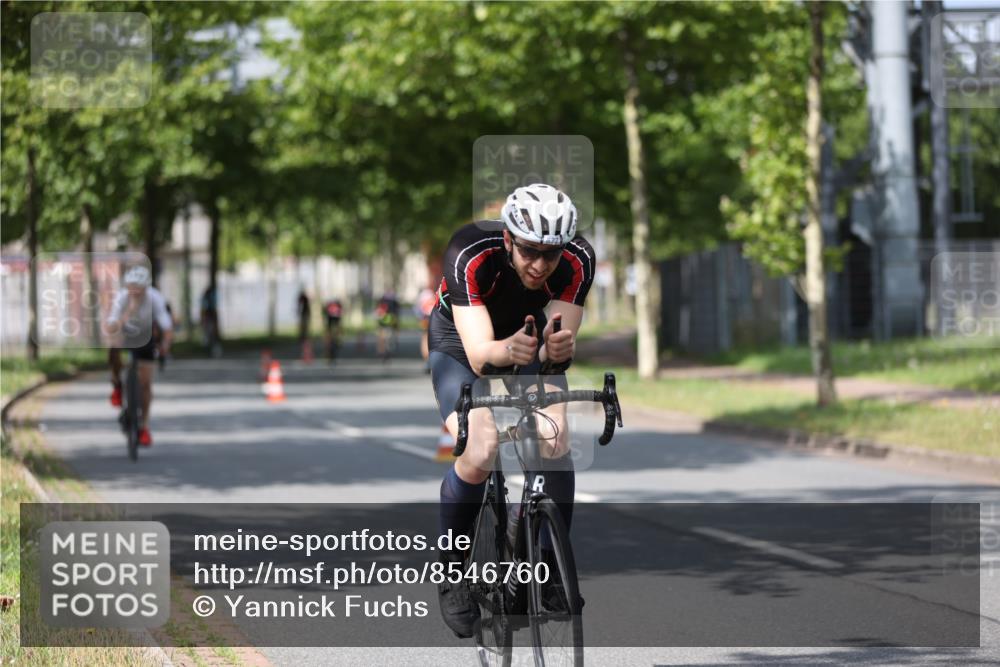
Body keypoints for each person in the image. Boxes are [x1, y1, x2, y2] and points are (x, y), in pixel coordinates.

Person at [427, 183, 595, 637]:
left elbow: (557, 350)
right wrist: (513, 350)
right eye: (529, 252)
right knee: (480, 449)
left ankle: (547, 566)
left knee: (555, 435)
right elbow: (482, 356)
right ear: (507, 239)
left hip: (528, 335)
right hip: (463, 342)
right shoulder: (470, 251)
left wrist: (557, 349)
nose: (540, 265)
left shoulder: (579, 260)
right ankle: (451, 569)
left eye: (551, 254)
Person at [106, 265, 173, 447]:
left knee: (146, 384)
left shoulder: (155, 298)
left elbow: (166, 327)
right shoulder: (122, 298)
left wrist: (165, 346)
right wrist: (129, 312)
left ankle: (144, 425)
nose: (135, 291)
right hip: (125, 331)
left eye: (139, 288)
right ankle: (118, 385)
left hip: (146, 336)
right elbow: (111, 326)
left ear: (146, 288)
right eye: (131, 287)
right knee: (113, 346)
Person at [374, 289, 400, 361]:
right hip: (391, 322)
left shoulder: (381, 300)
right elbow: (396, 313)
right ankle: (387, 351)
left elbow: (377, 312)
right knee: (389, 338)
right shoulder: (394, 301)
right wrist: (397, 325)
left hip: (381, 322)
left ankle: (381, 352)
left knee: (381, 338)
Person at [414, 286, 437, 368]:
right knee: (433, 338)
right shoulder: (432, 294)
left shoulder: (422, 295)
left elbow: (417, 309)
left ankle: (427, 360)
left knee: (424, 338)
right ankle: (432, 358)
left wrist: (419, 319)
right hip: (433, 318)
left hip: (424, 319)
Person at [199, 285, 220, 356]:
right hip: (210, 317)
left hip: (208, 318)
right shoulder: (210, 298)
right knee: (211, 334)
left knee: (209, 334)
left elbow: (203, 310)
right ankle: (212, 350)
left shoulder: (206, 298)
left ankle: (211, 350)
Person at [323, 298, 344, 363]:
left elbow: (340, 314)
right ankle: (335, 342)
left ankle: (335, 342)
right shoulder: (336, 304)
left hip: (333, 322)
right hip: (332, 322)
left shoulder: (333, 304)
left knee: (332, 336)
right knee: (331, 337)